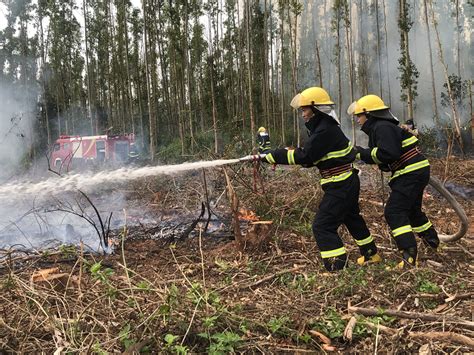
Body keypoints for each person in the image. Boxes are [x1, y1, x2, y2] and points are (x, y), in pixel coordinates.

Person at [259, 87, 380, 272]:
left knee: (322, 226)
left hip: (341, 184)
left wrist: (275, 155)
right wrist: (285, 154)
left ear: (316, 109)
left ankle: (337, 266)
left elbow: (305, 157)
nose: (303, 114)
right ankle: (371, 255)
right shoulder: (325, 128)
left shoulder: (324, 130)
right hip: (344, 181)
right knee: (352, 218)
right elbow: (315, 157)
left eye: (305, 110)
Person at [348, 94, 439, 268]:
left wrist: (360, 153)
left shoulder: (382, 127)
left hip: (410, 172)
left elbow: (388, 153)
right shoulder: (382, 127)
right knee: (412, 211)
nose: (358, 120)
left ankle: (409, 256)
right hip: (414, 170)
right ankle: (432, 241)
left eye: (359, 115)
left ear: (369, 114)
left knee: (394, 212)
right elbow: (386, 156)